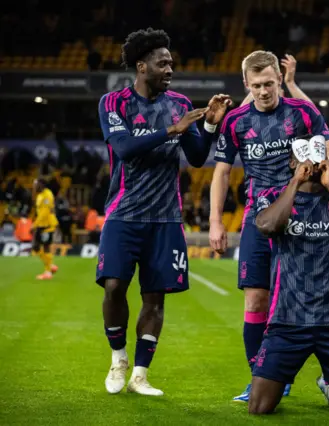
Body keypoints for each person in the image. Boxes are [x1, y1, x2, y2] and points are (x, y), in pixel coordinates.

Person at [96, 27, 232, 396]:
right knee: (113, 287)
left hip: (166, 217)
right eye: (163, 63)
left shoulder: (179, 103)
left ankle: (140, 374)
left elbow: (198, 157)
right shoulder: (114, 103)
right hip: (124, 213)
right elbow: (123, 147)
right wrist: (173, 129)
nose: (170, 69)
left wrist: (208, 124)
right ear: (142, 66)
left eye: (171, 63)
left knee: (155, 296)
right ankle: (118, 359)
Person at [209, 50, 329, 402]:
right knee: (255, 301)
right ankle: (262, 379)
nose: (264, 91)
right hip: (258, 218)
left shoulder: (302, 112)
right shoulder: (236, 121)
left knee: (311, 302)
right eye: (256, 85)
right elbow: (221, 172)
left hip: (303, 219)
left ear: (279, 80)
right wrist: (215, 222)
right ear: (245, 84)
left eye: (270, 83)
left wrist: (321, 165)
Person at [249, 139, 329, 416]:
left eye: (320, 161)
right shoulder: (272, 196)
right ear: (293, 163)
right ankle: (327, 382)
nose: (313, 166)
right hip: (287, 321)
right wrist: (294, 184)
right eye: (304, 160)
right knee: (259, 407)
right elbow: (268, 226)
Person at [32, 178, 59, 280]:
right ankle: (50, 266)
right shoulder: (40, 195)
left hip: (47, 225)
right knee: (36, 247)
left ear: (41, 185)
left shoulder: (47, 195)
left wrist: (34, 224)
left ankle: (48, 272)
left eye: (36, 184)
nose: (34, 187)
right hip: (41, 225)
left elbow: (45, 213)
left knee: (45, 247)